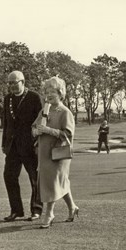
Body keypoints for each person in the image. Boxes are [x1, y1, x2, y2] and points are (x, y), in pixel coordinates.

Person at [32, 76, 78, 229]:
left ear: (60, 93)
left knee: (51, 183)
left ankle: (49, 213)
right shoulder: (44, 110)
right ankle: (72, 208)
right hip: (44, 153)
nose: (49, 94)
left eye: (52, 91)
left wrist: (47, 130)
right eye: (47, 91)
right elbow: (34, 127)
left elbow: (68, 134)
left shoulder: (65, 112)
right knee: (60, 182)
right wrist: (35, 131)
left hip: (59, 154)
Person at [2, 71, 43, 222]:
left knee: (35, 178)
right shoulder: (8, 99)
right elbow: (6, 123)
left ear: (23, 82)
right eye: (10, 83)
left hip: (30, 146)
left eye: (14, 82)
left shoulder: (34, 97)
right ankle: (16, 211)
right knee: (9, 176)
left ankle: (36, 210)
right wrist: (4, 144)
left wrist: (38, 141)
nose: (12, 85)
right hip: (12, 146)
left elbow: (41, 121)